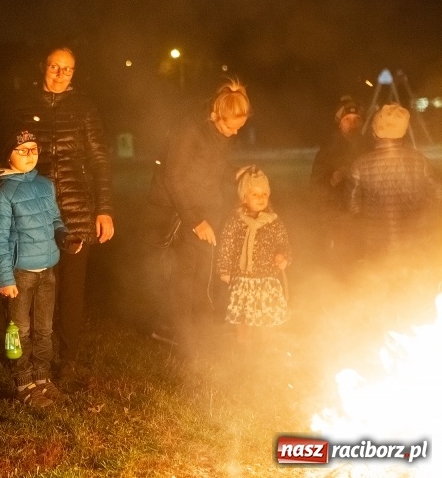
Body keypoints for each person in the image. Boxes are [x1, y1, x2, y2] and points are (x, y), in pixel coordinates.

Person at [12, 47, 114, 391]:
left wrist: (105, 209)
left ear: (74, 74)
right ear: (44, 66)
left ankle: (67, 362)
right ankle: (31, 359)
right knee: (35, 290)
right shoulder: (25, 106)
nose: (59, 74)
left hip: (76, 213)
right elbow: (8, 159)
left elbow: (100, 160)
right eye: (55, 66)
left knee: (71, 291)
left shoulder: (84, 108)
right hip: (33, 212)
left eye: (67, 69)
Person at [147, 79, 251, 361]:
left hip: (204, 209)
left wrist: (234, 173)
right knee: (185, 276)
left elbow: (212, 164)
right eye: (231, 126)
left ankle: (196, 333)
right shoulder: (189, 129)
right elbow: (174, 177)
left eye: (239, 127)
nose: (234, 132)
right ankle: (184, 340)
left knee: (201, 274)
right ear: (217, 115)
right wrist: (195, 220)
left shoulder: (220, 133)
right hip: (178, 213)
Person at [0, 129, 83, 407]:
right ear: (9, 155)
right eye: (23, 150)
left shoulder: (45, 185)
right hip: (20, 274)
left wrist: (65, 237)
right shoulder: (4, 191)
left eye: (34, 149)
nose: (30, 155)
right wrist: (5, 277)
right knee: (18, 332)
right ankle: (23, 385)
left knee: (44, 330)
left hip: (47, 273)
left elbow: (55, 219)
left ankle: (42, 379)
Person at [346, 103, 442, 261]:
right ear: (403, 132)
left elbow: (352, 207)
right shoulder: (420, 161)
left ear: (375, 132)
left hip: (376, 248)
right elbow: (439, 193)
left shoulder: (359, 165)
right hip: (415, 246)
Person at [216, 167, 291, 346]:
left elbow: (284, 243)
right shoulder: (236, 221)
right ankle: (244, 343)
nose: (261, 198)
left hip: (267, 278)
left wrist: (283, 256)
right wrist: (224, 269)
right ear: (244, 197)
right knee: (244, 315)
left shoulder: (274, 222)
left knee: (267, 314)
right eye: (255, 194)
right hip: (243, 278)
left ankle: (268, 345)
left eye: (264, 194)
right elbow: (227, 244)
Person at [309, 95, 366, 266]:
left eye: (357, 119)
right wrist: (333, 179)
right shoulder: (328, 151)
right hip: (337, 218)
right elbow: (315, 188)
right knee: (340, 263)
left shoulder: (368, 147)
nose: (353, 123)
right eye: (347, 119)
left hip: (365, 218)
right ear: (339, 122)